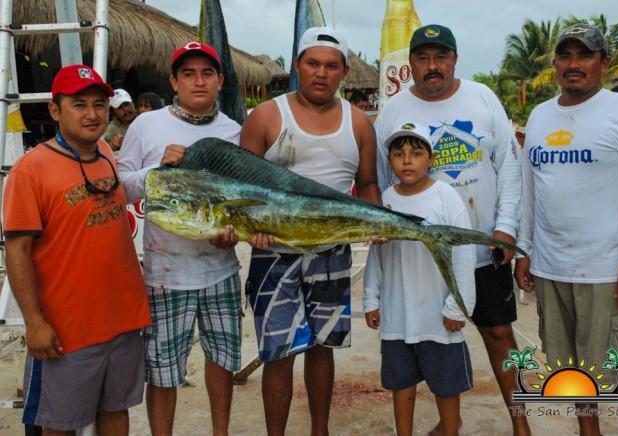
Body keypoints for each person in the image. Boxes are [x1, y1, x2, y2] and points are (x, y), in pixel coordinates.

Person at [374, 24, 528, 435]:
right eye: (422, 58)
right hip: (419, 262)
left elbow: (509, 168)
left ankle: (521, 423)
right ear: (411, 65)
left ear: (455, 59)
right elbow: (380, 179)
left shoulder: (482, 97)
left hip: (480, 247)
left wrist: (507, 229)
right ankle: (448, 425)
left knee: (499, 333)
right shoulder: (393, 111)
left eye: (441, 57)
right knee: (423, 343)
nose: (432, 66)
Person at [514, 23, 618, 436]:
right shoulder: (540, 115)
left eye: (585, 55)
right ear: (555, 62)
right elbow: (530, 192)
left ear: (604, 63)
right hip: (551, 268)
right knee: (572, 370)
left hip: (607, 271)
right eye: (565, 55)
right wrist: (525, 251)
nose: (573, 65)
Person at [239, 26, 381, 435]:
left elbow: (368, 184)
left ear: (345, 71)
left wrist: (377, 218)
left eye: (331, 66)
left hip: (331, 251)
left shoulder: (358, 123)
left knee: (324, 347)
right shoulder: (266, 116)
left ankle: (321, 430)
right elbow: (244, 190)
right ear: (297, 65)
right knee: (279, 353)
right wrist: (253, 230)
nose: (321, 73)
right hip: (274, 253)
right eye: (313, 63)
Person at [3, 65, 151, 434]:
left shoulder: (104, 151)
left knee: (117, 410)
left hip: (122, 319)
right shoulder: (30, 171)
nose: (92, 114)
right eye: (79, 104)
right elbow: (16, 252)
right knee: (60, 424)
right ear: (56, 111)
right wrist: (35, 323)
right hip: (67, 330)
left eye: (99, 104)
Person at [118, 41, 242, 436]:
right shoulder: (146, 125)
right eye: (188, 73)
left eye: (207, 73)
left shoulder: (235, 132)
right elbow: (122, 189)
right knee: (164, 370)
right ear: (173, 80)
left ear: (220, 80)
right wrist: (159, 167)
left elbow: (242, 202)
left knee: (223, 362)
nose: (198, 81)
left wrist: (234, 236)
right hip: (164, 274)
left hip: (220, 269)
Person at [363, 122, 475, 436]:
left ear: (432, 158)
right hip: (397, 313)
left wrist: (456, 306)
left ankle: (450, 431)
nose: (407, 161)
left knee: (446, 385)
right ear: (389, 161)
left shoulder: (446, 197)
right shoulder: (386, 199)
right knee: (401, 382)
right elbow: (377, 254)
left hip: (438, 316)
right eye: (399, 154)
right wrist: (371, 299)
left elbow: (463, 255)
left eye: (416, 153)